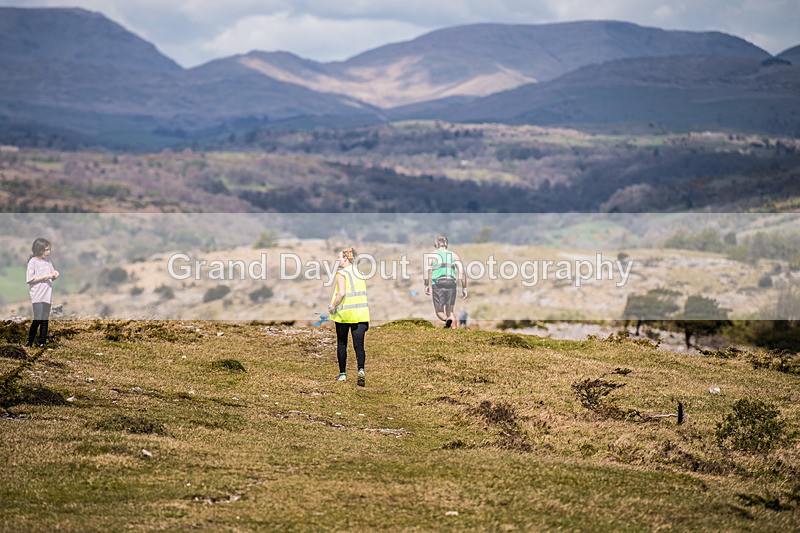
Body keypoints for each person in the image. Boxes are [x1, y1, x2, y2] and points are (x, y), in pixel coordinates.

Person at [327, 247, 370, 386]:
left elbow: (342, 293)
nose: (338, 259)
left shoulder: (342, 273)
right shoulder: (360, 273)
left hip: (344, 314)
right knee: (359, 345)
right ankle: (361, 370)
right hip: (361, 314)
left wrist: (333, 306)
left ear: (346, 258)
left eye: (339, 257)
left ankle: (343, 374)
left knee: (342, 343)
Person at [424, 235, 467, 329]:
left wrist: (426, 285)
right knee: (450, 311)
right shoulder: (454, 255)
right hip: (451, 283)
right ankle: (454, 331)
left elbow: (426, 270)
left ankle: (447, 320)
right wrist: (464, 288)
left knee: (439, 311)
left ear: (435, 245)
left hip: (438, 283)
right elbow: (462, 273)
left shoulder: (431, 255)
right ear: (446, 245)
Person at [26, 237, 59, 348]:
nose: (48, 252)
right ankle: (30, 341)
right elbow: (30, 279)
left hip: (47, 294)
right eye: (46, 250)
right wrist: (47, 276)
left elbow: (50, 278)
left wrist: (54, 275)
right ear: (39, 249)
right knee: (38, 318)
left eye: (49, 249)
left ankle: (42, 342)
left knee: (45, 320)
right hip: (37, 295)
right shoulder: (32, 262)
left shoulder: (48, 262)